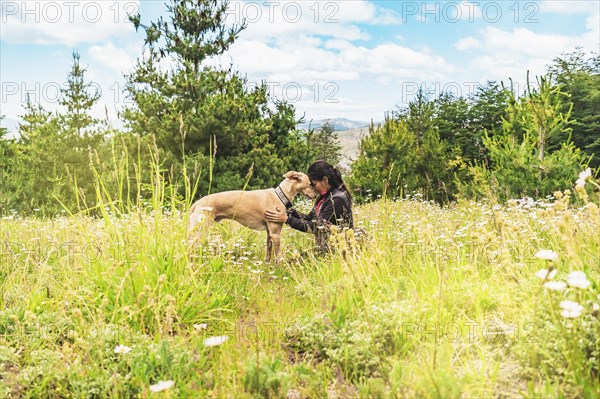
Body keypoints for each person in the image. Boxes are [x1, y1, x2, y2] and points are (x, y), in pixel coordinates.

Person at [265, 160, 354, 251]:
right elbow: (310, 218)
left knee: (292, 263)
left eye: (314, 184)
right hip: (326, 248)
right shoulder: (325, 197)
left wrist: (286, 219)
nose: (313, 188)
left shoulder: (337, 200)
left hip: (338, 250)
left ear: (325, 180)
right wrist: (288, 210)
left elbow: (317, 227)